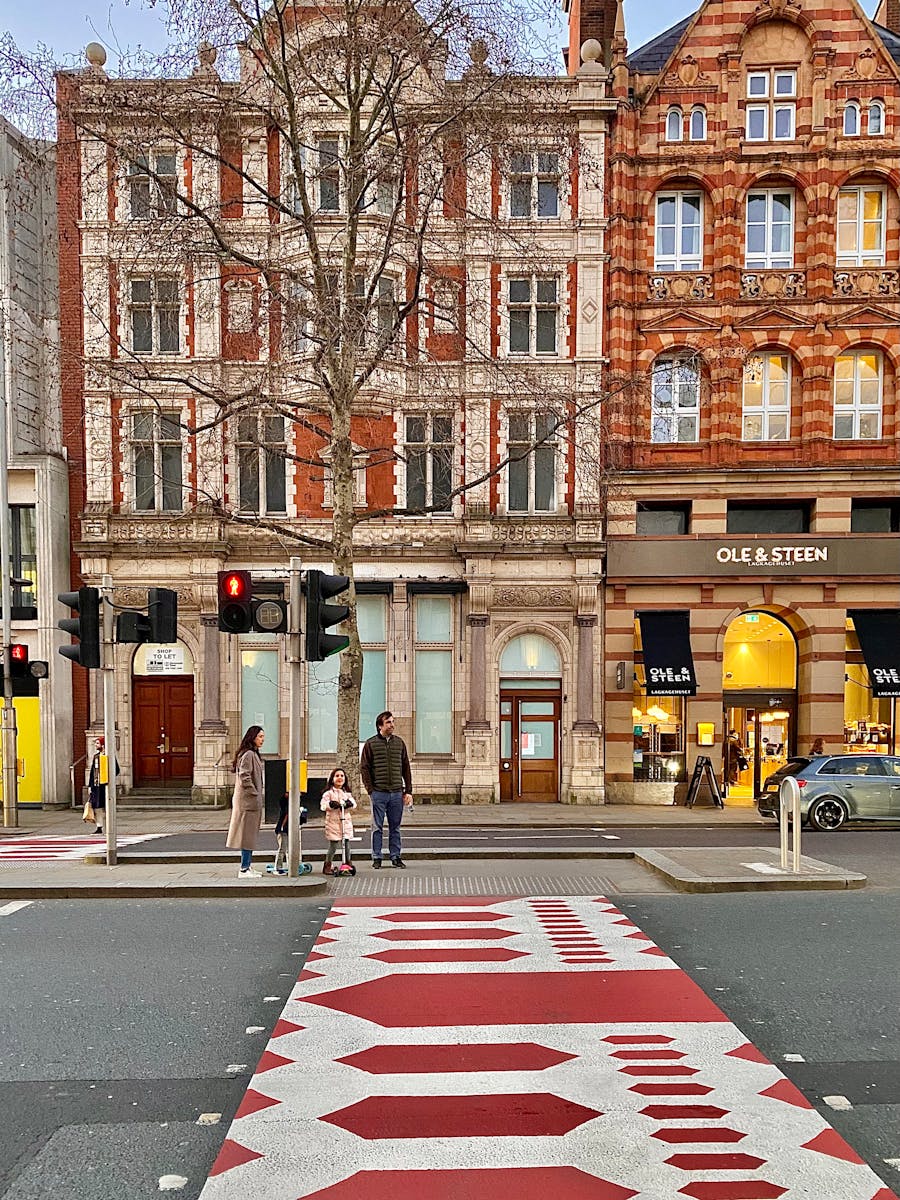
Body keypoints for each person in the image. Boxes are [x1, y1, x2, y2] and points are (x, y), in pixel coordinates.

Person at [360, 710, 412, 869]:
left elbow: (406, 768)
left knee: (395, 827)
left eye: (392, 721)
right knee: (377, 827)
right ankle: (377, 857)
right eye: (388, 722)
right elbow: (364, 768)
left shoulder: (399, 743)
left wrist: (408, 791)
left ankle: (396, 857)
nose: (392, 725)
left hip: (396, 792)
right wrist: (371, 790)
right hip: (379, 792)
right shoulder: (370, 744)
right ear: (380, 725)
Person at [227, 725, 265, 879]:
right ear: (253, 737)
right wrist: (254, 793)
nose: (262, 739)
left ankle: (247, 866)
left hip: (248, 801)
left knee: (248, 835)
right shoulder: (249, 754)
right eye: (260, 736)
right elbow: (245, 776)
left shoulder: (251, 754)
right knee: (247, 836)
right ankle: (244, 868)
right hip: (248, 803)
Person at [320, 767, 357, 875]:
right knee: (334, 844)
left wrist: (349, 803)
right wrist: (331, 804)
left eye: (342, 776)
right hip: (333, 822)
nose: (340, 778)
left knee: (347, 843)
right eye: (337, 776)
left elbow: (353, 803)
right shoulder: (329, 793)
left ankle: (347, 863)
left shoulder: (347, 793)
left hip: (345, 822)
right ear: (332, 779)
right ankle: (328, 864)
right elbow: (323, 805)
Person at [87, 736, 119, 835]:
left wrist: (109, 779)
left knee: (107, 806)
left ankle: (110, 826)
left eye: (97, 743)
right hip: (96, 786)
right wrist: (90, 786)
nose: (96, 745)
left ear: (103, 745)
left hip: (105, 786)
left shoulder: (109, 756)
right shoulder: (96, 757)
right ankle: (99, 827)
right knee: (97, 807)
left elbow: (116, 770)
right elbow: (92, 772)